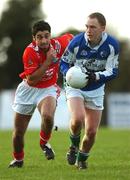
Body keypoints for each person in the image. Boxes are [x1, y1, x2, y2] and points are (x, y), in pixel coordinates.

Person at [8, 20, 73, 168]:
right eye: (39, 37)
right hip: (28, 90)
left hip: (48, 88)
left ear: (50, 35)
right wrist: (48, 61)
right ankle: (18, 160)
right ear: (34, 39)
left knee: (48, 116)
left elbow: (74, 39)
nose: (43, 40)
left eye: (46, 36)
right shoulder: (29, 52)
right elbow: (32, 80)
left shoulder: (58, 44)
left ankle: (44, 143)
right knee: (18, 133)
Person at [60, 12, 119, 170]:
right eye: (87, 26)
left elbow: (113, 71)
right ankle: (73, 146)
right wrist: (71, 75)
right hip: (75, 86)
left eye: (93, 27)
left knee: (91, 132)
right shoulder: (76, 42)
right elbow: (64, 63)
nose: (88, 30)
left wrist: (96, 76)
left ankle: (82, 157)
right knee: (78, 118)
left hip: (96, 88)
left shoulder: (112, 45)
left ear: (103, 29)